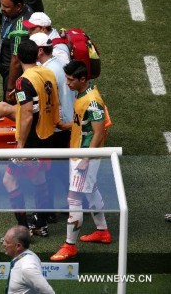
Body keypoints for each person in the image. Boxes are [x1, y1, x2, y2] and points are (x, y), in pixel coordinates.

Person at [50, 60, 112, 261]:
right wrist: (68, 125)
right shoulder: (84, 93)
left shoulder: (93, 102)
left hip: (84, 156)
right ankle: (102, 231)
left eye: (70, 80)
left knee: (74, 199)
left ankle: (69, 246)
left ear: (82, 79)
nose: (67, 83)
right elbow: (84, 123)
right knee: (91, 191)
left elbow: (99, 131)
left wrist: (86, 158)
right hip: (80, 152)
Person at [3, 39, 59, 237]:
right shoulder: (48, 73)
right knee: (39, 178)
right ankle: (41, 224)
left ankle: (23, 228)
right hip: (47, 135)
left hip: (31, 140)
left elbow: (27, 114)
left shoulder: (23, 81)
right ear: (37, 55)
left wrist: (20, 146)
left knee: (9, 180)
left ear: (17, 58)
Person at [30, 32, 76, 222]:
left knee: (53, 170)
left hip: (58, 127)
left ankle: (58, 210)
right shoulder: (57, 65)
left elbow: (52, 101)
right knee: (60, 169)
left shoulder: (49, 71)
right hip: (65, 123)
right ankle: (68, 206)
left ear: (40, 50)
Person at [0, 0, 33, 103]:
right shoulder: (18, 10)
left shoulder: (19, 29)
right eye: (1, 4)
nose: (2, 9)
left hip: (13, 74)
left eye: (6, 7)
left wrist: (10, 88)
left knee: (10, 106)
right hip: (7, 70)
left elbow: (16, 60)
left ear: (18, 6)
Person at [2, 225, 55, 294]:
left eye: (7, 242)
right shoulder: (27, 255)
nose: (3, 244)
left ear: (18, 246)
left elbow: (48, 292)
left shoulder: (27, 268)